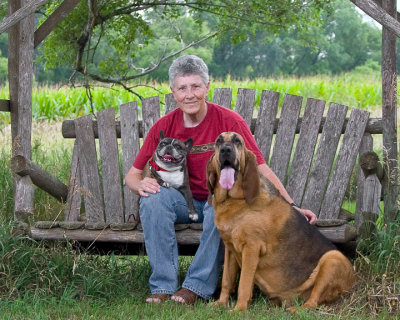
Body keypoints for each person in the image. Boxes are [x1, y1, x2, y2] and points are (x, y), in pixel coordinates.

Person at [125, 55, 317, 305]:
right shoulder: (165, 125)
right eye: (182, 88)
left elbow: (260, 168)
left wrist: (292, 207)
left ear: (207, 87)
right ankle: (162, 286)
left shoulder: (229, 121)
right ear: (173, 92)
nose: (190, 94)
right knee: (152, 201)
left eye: (196, 86)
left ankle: (195, 287)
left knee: (222, 208)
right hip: (183, 202)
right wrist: (140, 184)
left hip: (220, 199)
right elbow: (132, 174)